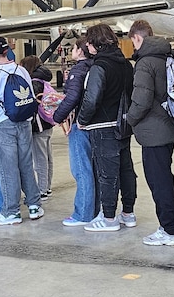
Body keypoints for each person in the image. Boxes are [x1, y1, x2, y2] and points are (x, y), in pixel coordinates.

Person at [125, 19, 174, 246]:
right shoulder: (171, 56)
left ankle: (169, 230)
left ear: (138, 38)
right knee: (165, 177)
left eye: (132, 41)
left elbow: (141, 100)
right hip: (171, 127)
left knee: (158, 181)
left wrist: (129, 120)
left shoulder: (144, 63)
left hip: (153, 133)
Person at [0, 35, 44, 225]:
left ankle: (10, 211)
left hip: (2, 125)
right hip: (24, 123)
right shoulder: (21, 70)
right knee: (25, 165)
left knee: (7, 169)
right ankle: (34, 205)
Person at [79, 25, 139, 232]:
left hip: (102, 126)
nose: (87, 45)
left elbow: (92, 97)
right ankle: (128, 213)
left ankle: (109, 217)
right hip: (123, 123)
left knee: (107, 173)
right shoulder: (125, 64)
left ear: (96, 42)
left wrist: (82, 119)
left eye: (89, 41)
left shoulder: (99, 66)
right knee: (126, 170)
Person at [53, 43, 98, 227]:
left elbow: (72, 97)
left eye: (73, 48)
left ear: (80, 51)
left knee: (81, 169)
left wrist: (57, 116)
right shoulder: (95, 67)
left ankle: (83, 213)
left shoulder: (78, 70)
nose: (71, 51)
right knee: (92, 169)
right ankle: (95, 210)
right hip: (95, 124)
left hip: (80, 124)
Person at [19, 55, 55, 202]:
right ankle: (47, 186)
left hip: (38, 126)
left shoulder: (33, 83)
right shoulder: (43, 81)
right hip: (47, 124)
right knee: (47, 157)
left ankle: (42, 189)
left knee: (40, 159)